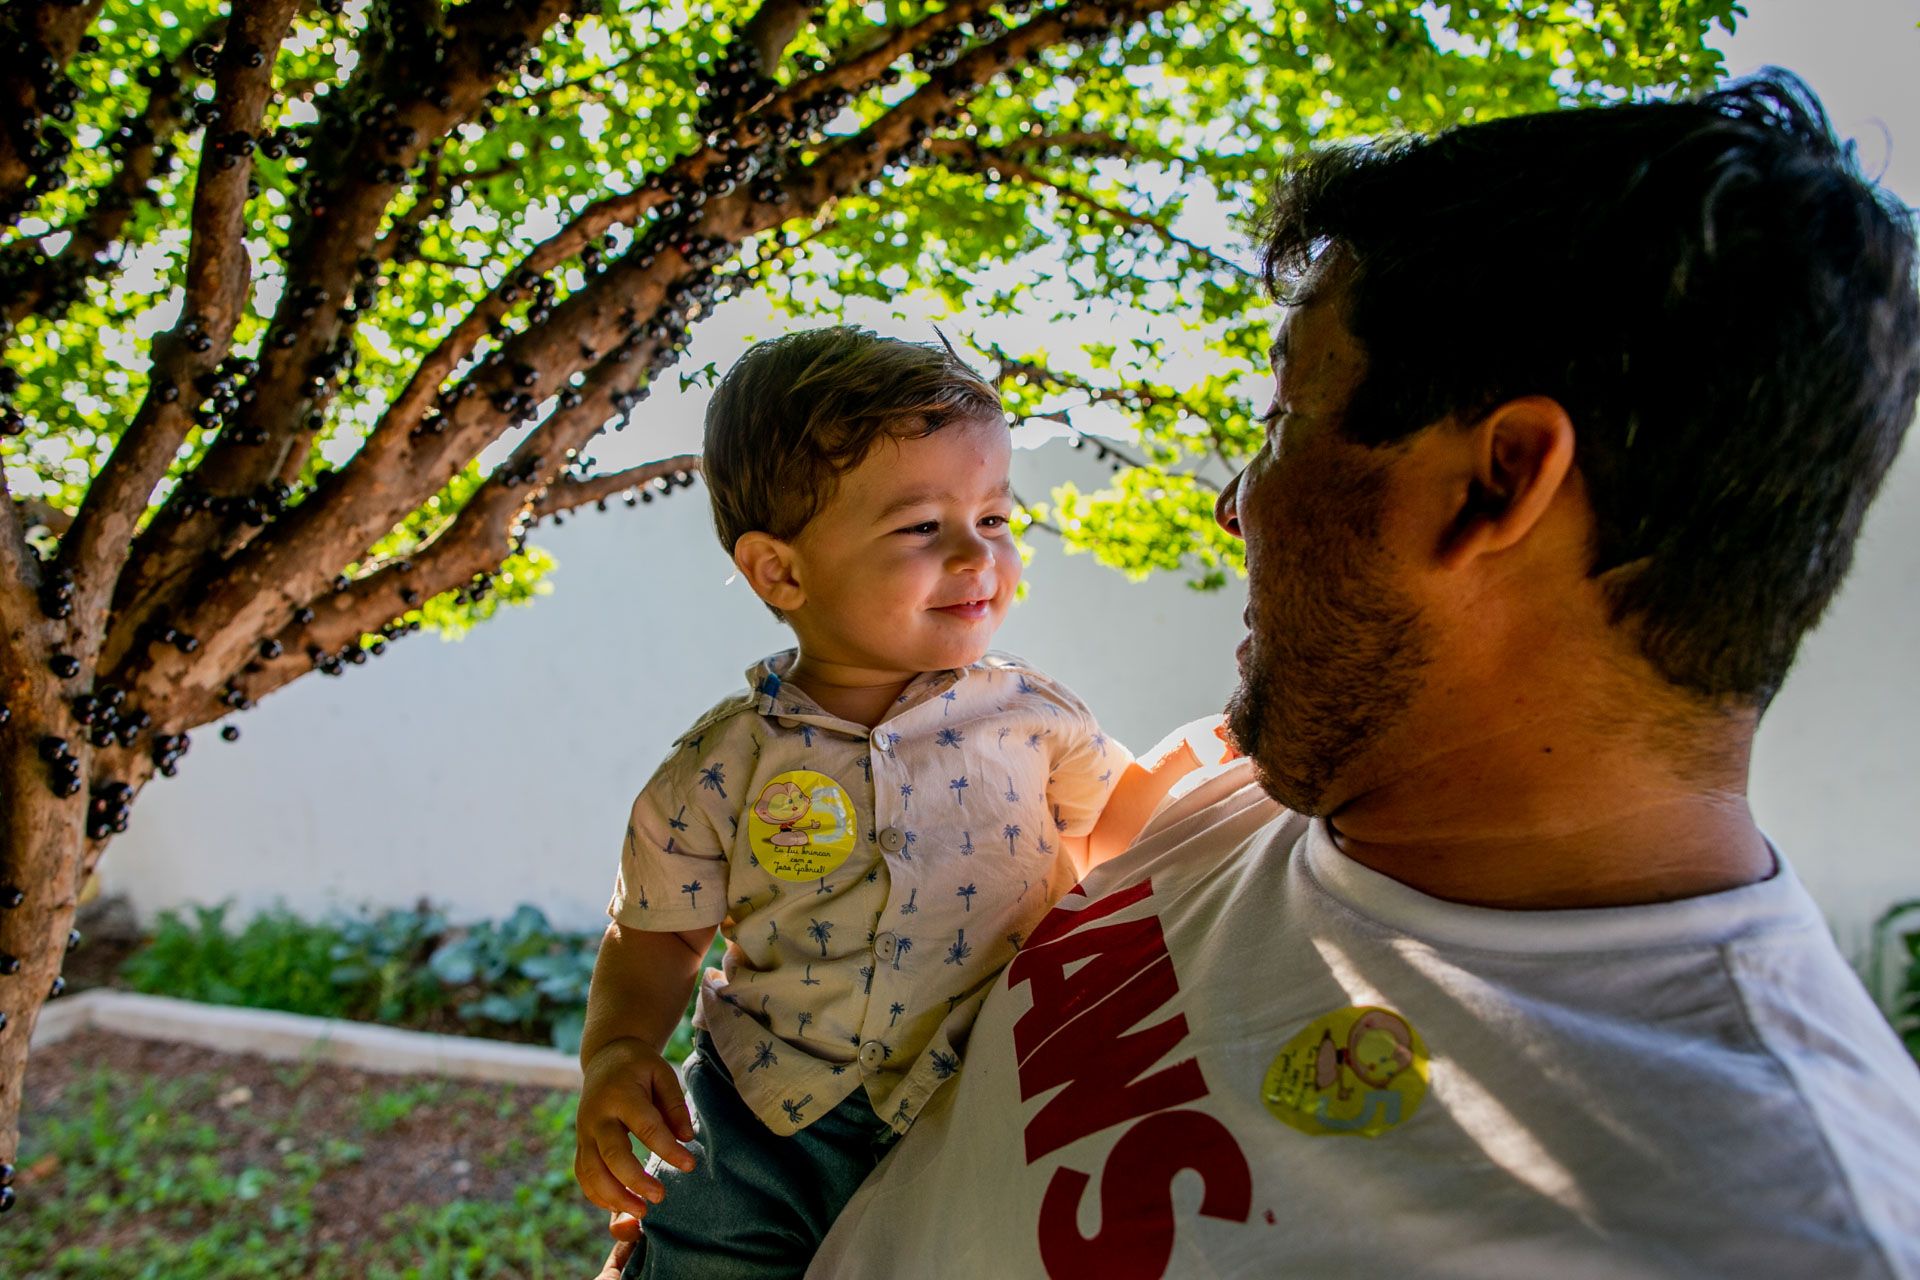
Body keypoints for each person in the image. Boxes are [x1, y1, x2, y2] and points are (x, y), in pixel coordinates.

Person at [787, 70, 1920, 1277]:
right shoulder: (1239, 792)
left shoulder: (1782, 1226)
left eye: (1284, 421)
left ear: (1498, 483)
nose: (1236, 503)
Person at [573, 327, 1205, 1278]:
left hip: (987, 1098)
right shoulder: (723, 763)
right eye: (922, 527)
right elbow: (659, 929)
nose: (975, 555)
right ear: (780, 571)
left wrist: (1214, 774)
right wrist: (618, 1050)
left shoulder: (1034, 722)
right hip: (760, 1118)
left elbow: (1126, 842)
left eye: (994, 518)